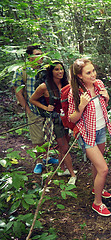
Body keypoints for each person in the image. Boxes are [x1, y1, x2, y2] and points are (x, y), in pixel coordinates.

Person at [68, 58, 111, 216]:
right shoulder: (75, 92)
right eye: (88, 72)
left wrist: (106, 97)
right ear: (79, 76)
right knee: (103, 169)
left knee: (96, 165)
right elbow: (72, 118)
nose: (93, 74)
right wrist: (81, 107)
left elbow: (103, 106)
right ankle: (97, 203)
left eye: (93, 70)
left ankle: (96, 188)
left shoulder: (99, 84)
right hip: (86, 134)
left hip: (100, 129)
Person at [29, 61, 77, 185]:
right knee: (65, 148)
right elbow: (32, 99)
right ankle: (72, 174)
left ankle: (62, 170)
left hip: (68, 119)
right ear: (51, 72)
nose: (60, 72)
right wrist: (46, 108)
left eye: (61, 69)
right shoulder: (44, 86)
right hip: (55, 121)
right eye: (56, 69)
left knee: (63, 147)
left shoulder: (66, 84)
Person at [12, 45, 58, 174]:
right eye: (37, 54)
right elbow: (18, 92)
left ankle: (47, 157)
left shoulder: (45, 70)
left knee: (48, 134)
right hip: (33, 108)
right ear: (29, 57)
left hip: (47, 108)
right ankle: (38, 161)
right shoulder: (22, 71)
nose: (41, 57)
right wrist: (27, 109)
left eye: (41, 54)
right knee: (37, 138)